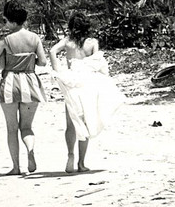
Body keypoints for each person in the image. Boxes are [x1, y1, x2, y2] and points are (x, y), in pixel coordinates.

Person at [50, 12, 125, 173]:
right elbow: (98, 62)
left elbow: (52, 51)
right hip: (88, 85)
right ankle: (81, 163)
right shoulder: (92, 43)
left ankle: (70, 154)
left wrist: (58, 71)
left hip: (71, 84)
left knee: (71, 123)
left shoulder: (68, 41)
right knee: (85, 122)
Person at [0, 2, 49, 175]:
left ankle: (16, 167)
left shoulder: (5, 40)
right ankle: (30, 149)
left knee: (12, 128)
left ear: (13, 22)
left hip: (9, 83)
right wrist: (29, 62)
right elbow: (43, 62)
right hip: (30, 83)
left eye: (6, 21)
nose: (5, 24)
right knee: (27, 127)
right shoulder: (34, 38)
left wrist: (7, 65)